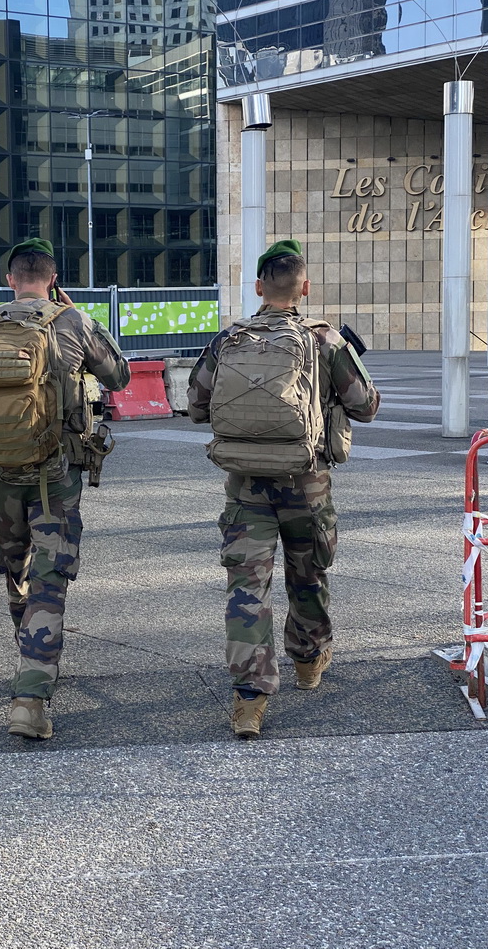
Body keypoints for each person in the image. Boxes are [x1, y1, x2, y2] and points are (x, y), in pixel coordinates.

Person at [0, 238, 130, 739]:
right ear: (53, 276)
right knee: (50, 582)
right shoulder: (73, 323)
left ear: (10, 278)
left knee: (15, 571)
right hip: (54, 478)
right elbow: (120, 375)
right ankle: (31, 698)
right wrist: (81, 319)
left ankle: (32, 651)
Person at [188, 239, 380, 739]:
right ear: (305, 287)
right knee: (308, 575)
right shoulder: (324, 340)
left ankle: (249, 701)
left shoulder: (230, 338)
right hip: (307, 486)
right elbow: (366, 406)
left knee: (246, 590)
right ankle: (309, 662)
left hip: (246, 488)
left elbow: (196, 404)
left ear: (258, 287)